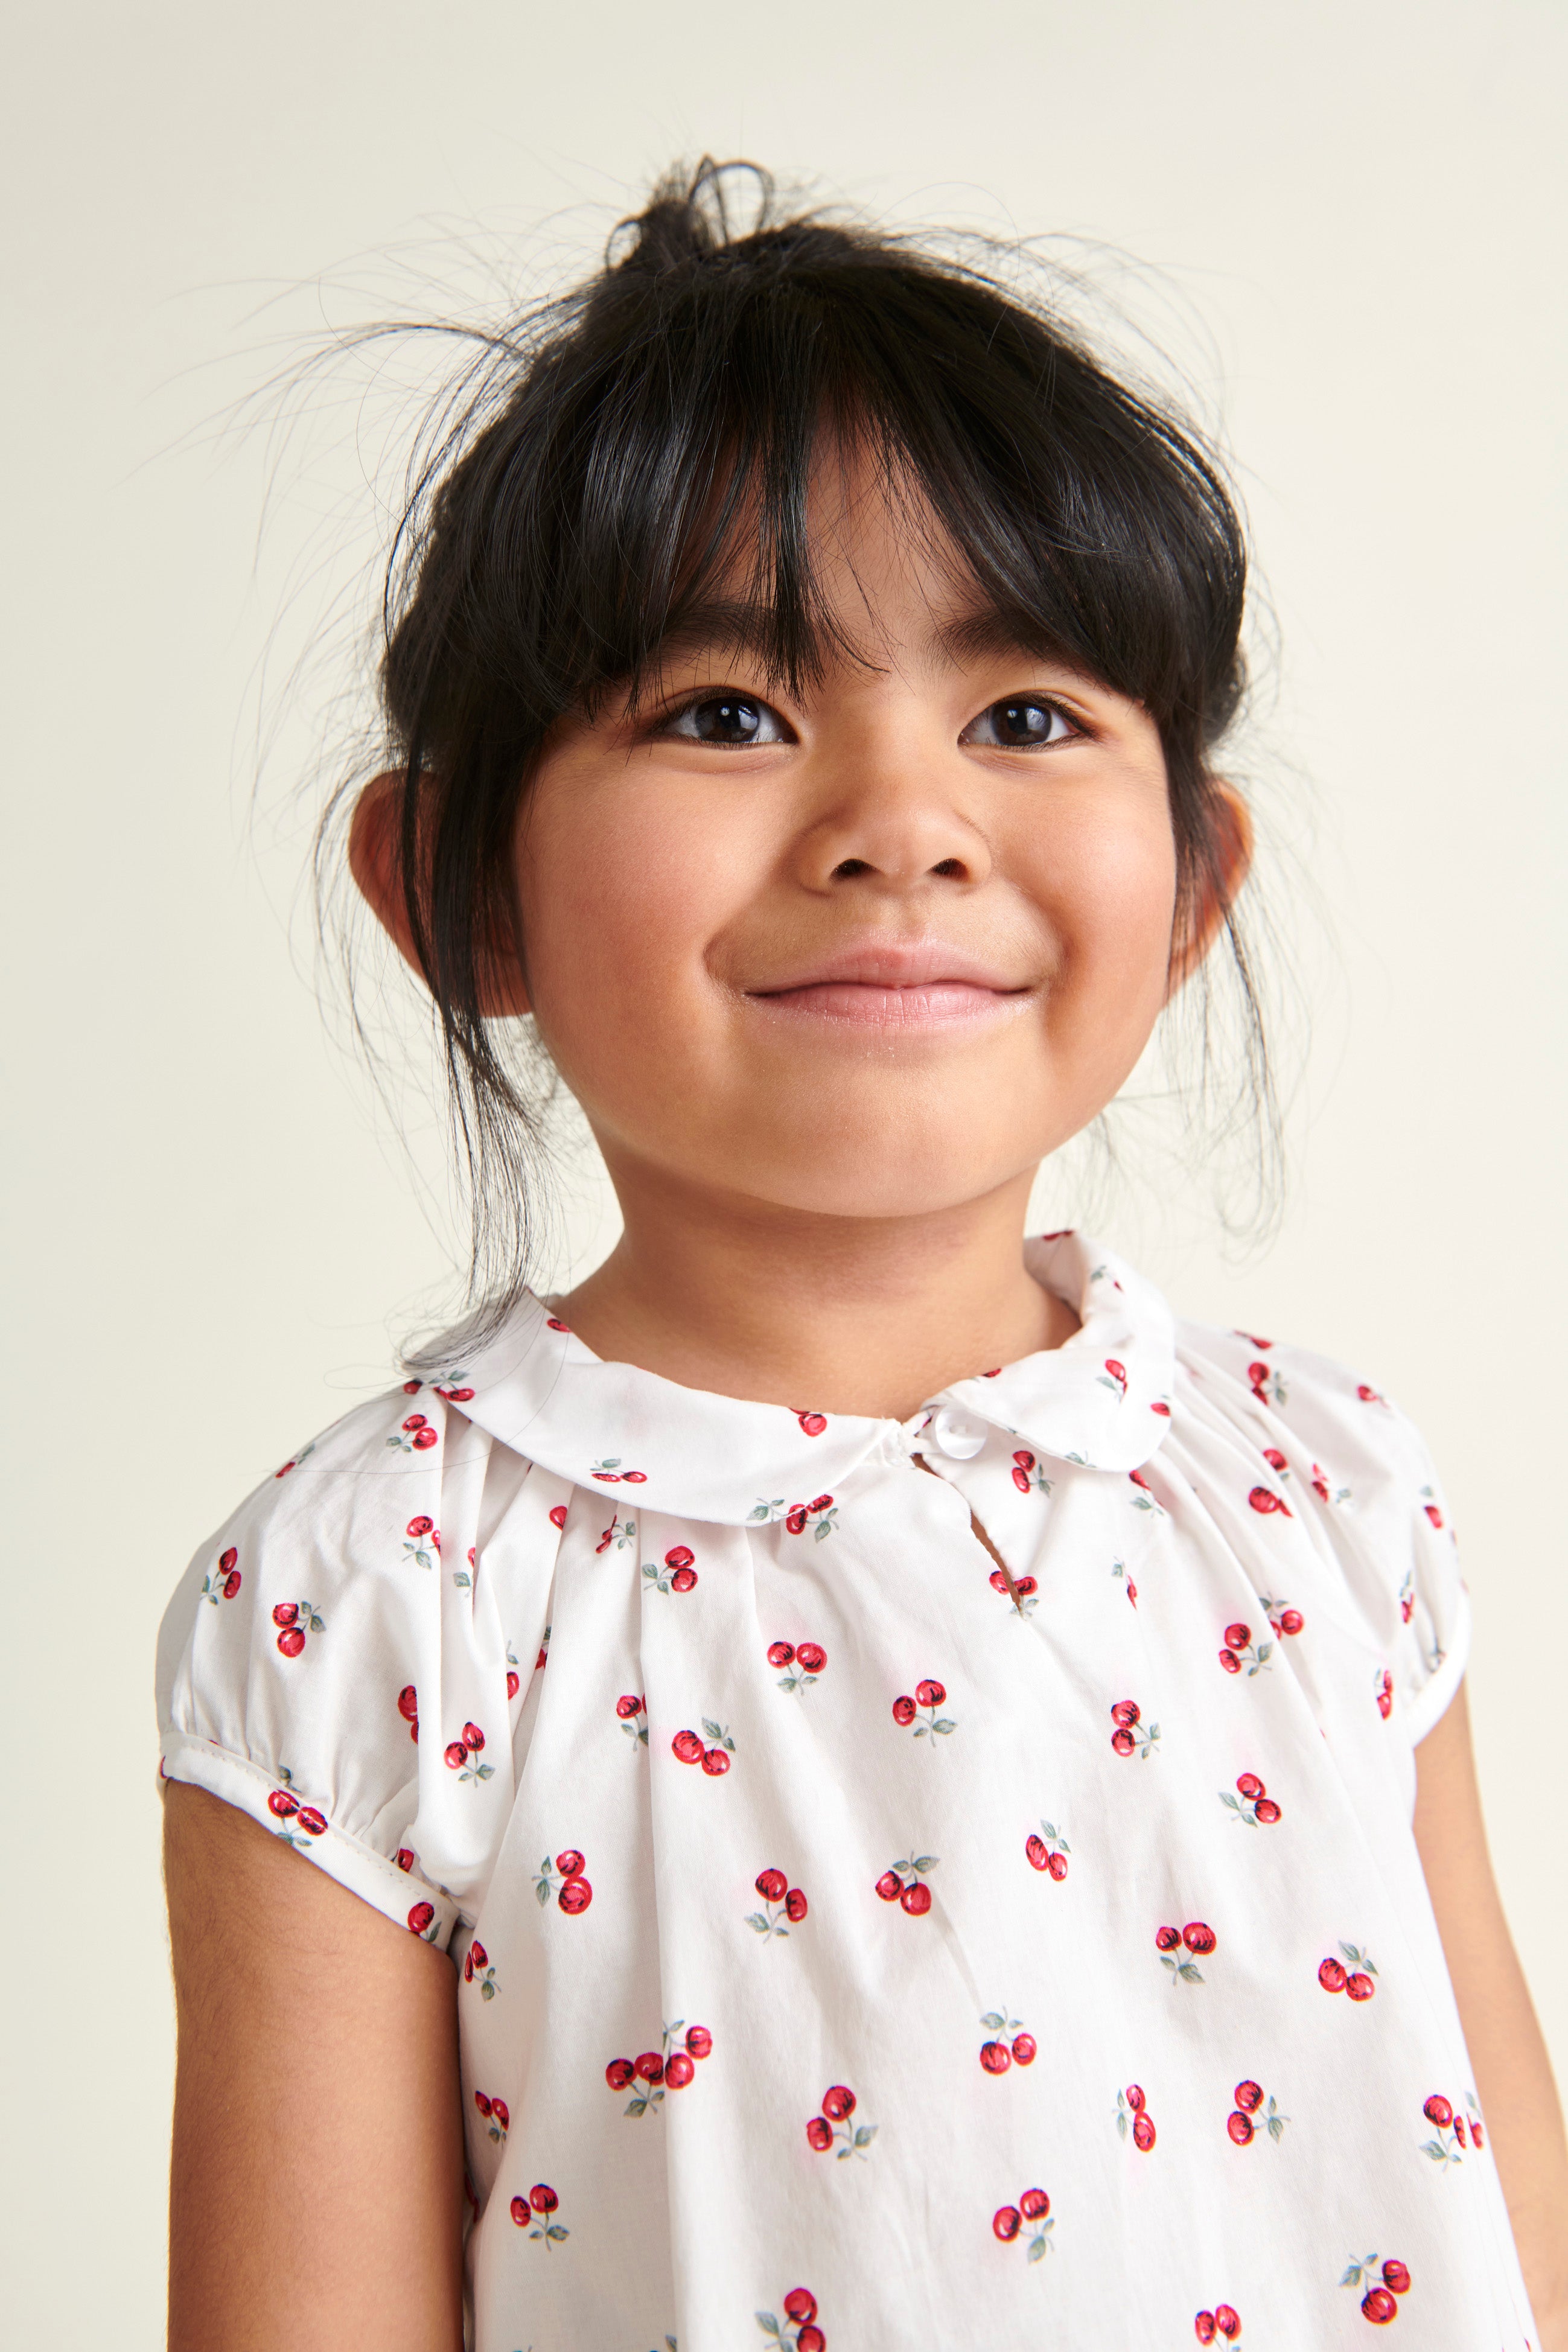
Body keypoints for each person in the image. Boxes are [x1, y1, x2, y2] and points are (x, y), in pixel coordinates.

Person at [156, 160, 1567, 2350]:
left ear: (1193, 887)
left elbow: (1508, 2226)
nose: (902, 820)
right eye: (727, 710)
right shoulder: (375, 1598)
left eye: (1027, 716)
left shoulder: (1327, 1501)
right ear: (465, 889)